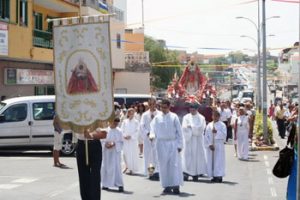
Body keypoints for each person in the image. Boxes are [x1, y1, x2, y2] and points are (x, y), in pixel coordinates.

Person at [150, 99, 183, 194]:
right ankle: (166, 185)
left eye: (165, 107)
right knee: (163, 165)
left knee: (174, 165)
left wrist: (180, 144)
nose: (163, 109)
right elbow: (152, 128)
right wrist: (152, 135)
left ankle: (176, 185)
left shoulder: (174, 117)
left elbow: (179, 132)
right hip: (161, 143)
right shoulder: (157, 118)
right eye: (161, 107)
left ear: (169, 107)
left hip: (172, 143)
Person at [76, 127, 107, 200]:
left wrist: (91, 136)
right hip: (81, 145)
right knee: (83, 177)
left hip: (94, 145)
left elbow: (104, 134)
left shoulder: (99, 116)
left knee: (95, 177)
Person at [182, 103, 207, 181]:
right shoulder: (186, 117)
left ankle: (195, 173)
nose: (192, 111)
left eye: (193, 110)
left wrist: (191, 127)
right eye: (191, 110)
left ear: (197, 109)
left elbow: (200, 129)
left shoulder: (201, 118)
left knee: (197, 156)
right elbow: (184, 128)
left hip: (197, 140)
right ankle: (186, 173)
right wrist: (193, 128)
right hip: (188, 140)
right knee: (187, 156)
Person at [140, 97, 161, 180]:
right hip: (148, 139)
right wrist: (148, 133)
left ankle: (158, 172)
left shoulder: (159, 114)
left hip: (157, 138)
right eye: (150, 104)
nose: (152, 106)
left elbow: (161, 125)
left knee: (156, 156)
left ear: (156, 104)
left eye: (153, 104)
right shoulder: (145, 115)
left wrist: (156, 134)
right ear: (148, 105)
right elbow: (142, 126)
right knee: (149, 157)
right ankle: (151, 172)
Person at [101, 118, 124, 192]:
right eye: (114, 121)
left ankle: (119, 185)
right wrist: (105, 144)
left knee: (117, 168)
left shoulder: (119, 131)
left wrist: (114, 144)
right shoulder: (105, 130)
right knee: (106, 168)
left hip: (115, 153)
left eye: (117, 122)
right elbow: (101, 141)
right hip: (107, 153)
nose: (116, 123)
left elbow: (122, 142)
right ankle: (105, 184)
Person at [204, 110, 227, 183]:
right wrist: (209, 144)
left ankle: (219, 175)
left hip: (218, 144)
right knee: (211, 161)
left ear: (219, 117)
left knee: (218, 160)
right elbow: (206, 135)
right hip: (211, 145)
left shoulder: (222, 125)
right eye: (213, 116)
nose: (215, 117)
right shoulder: (209, 125)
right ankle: (213, 175)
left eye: (216, 116)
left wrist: (217, 132)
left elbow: (224, 135)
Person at [121, 108, 140, 174]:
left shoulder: (136, 122)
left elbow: (137, 131)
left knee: (132, 154)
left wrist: (131, 136)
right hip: (126, 140)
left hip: (133, 141)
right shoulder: (125, 121)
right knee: (125, 154)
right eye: (129, 113)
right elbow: (122, 130)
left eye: (132, 113)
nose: (131, 114)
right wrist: (124, 136)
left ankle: (132, 169)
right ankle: (127, 167)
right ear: (128, 113)